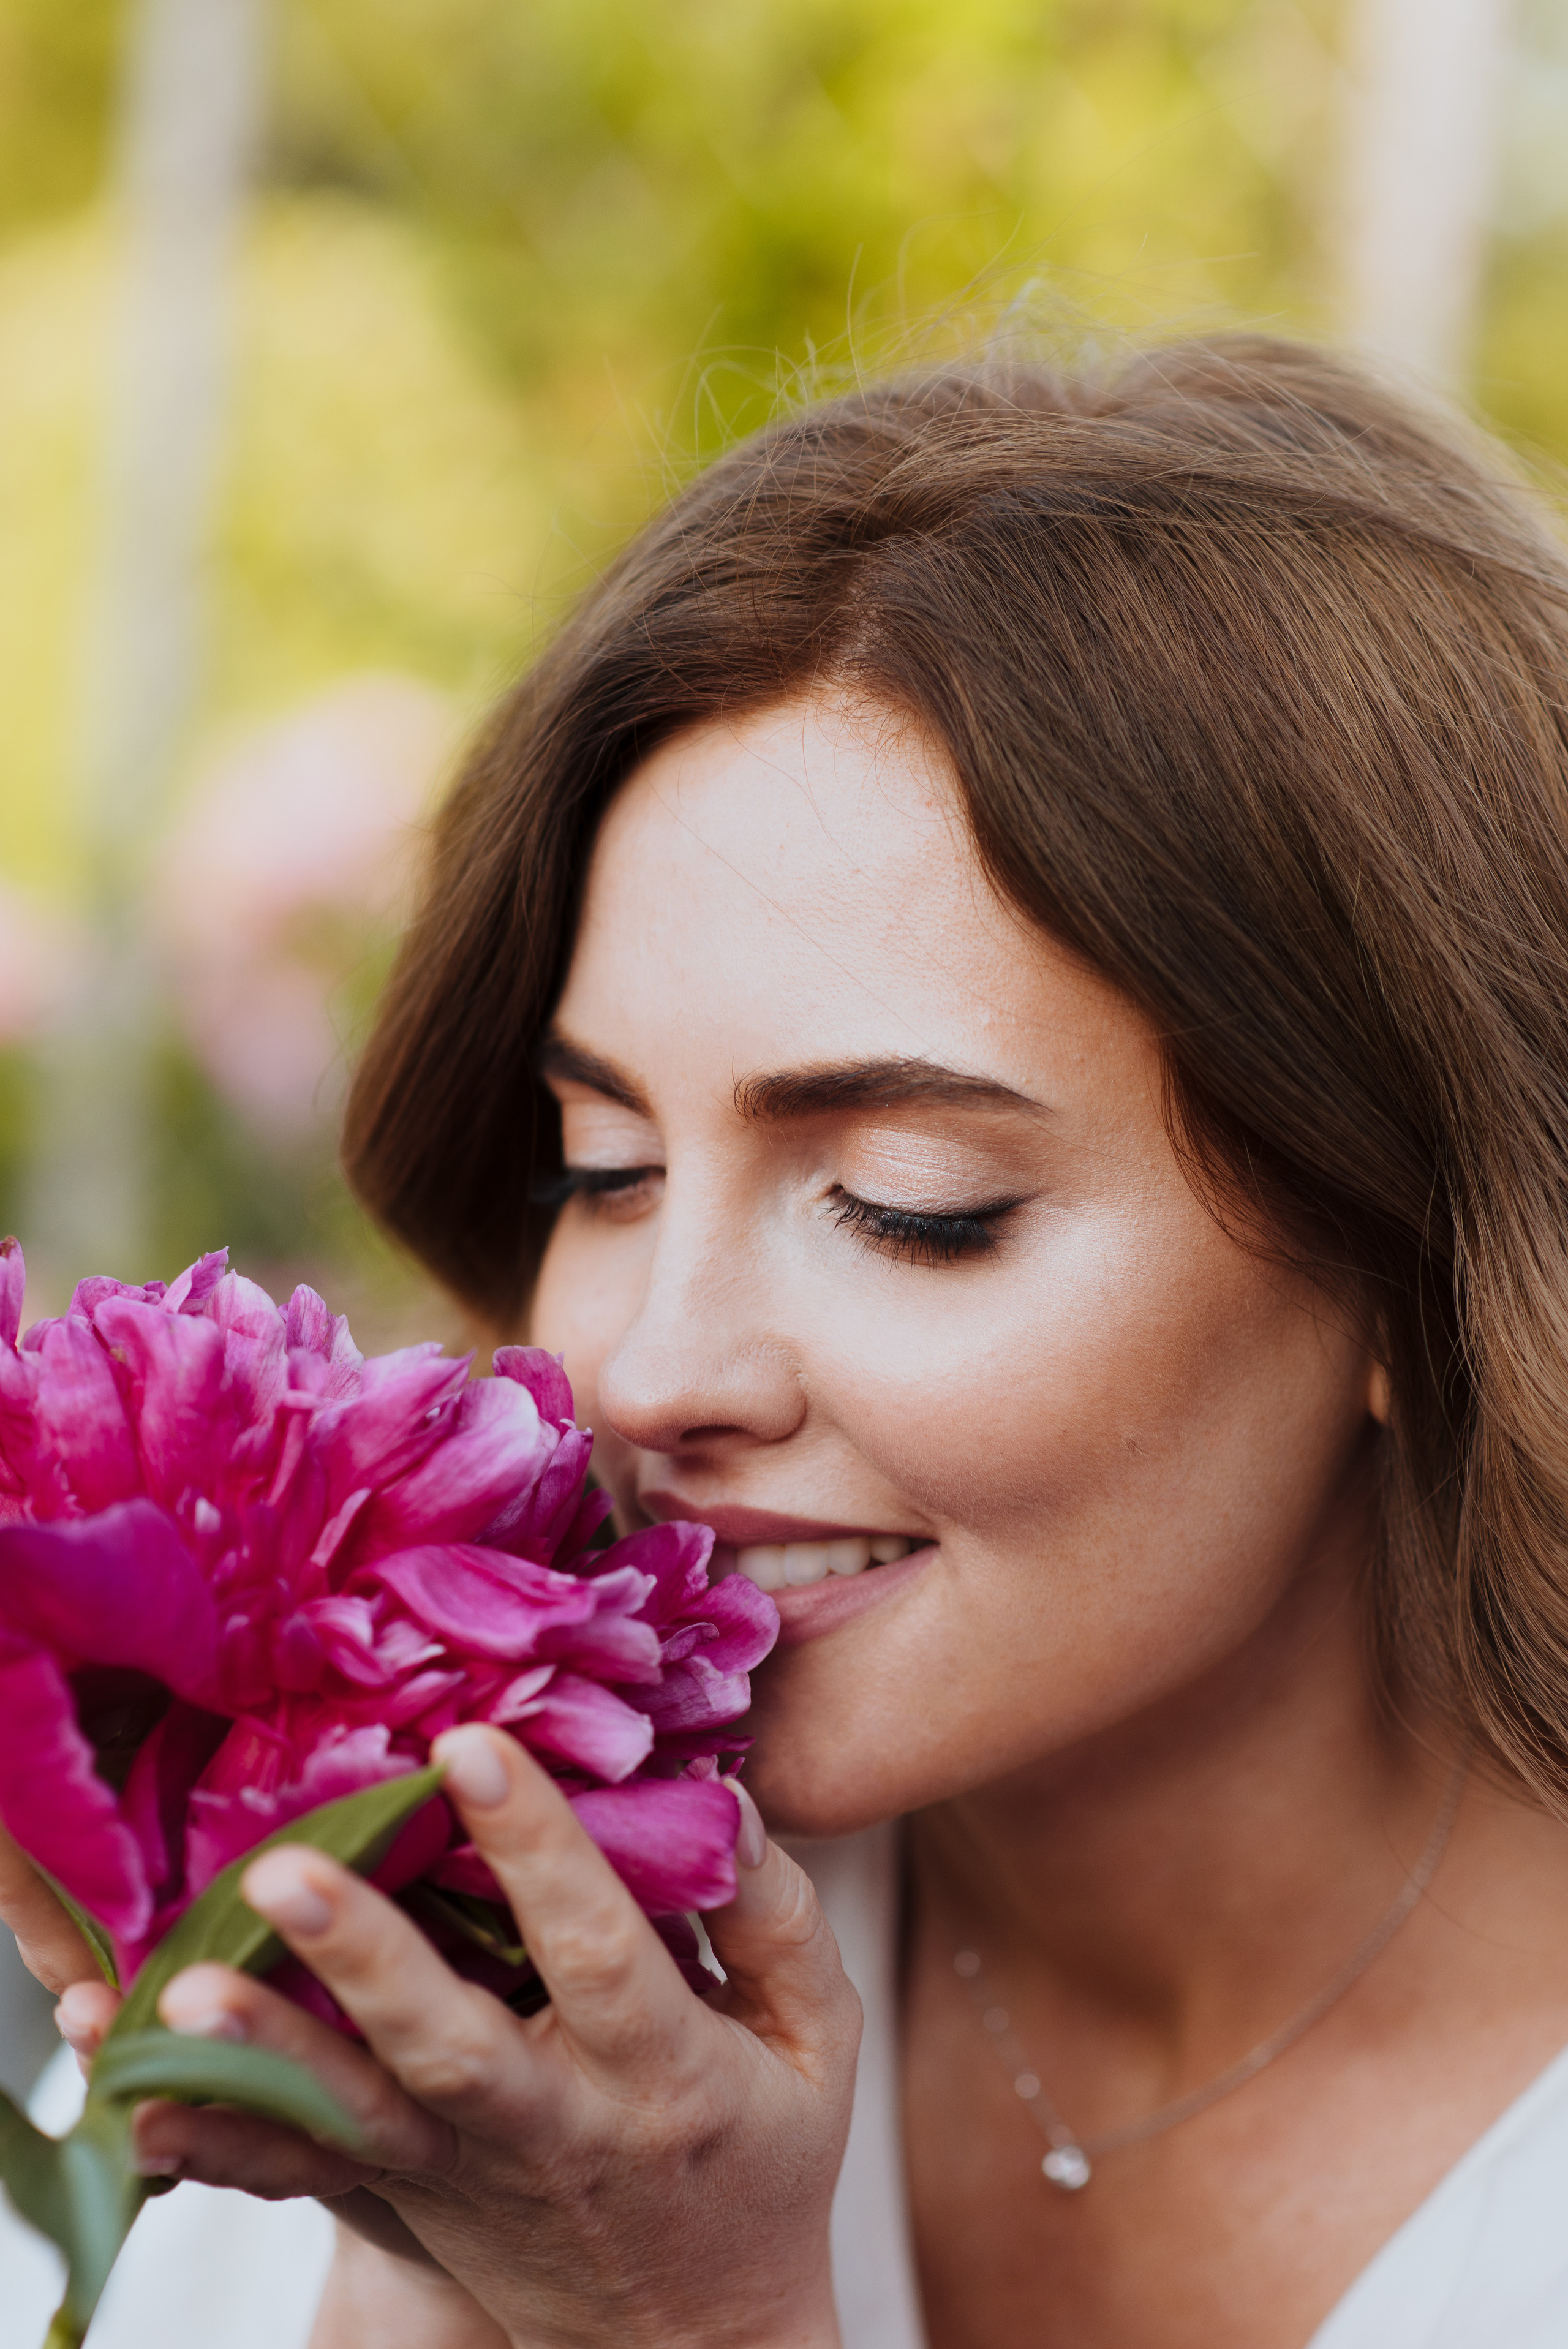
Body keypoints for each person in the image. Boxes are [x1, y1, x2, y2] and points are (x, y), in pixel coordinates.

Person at [12, 333, 1568, 2349]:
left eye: (913, 1201)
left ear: (1419, 1245)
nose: (650, 1372)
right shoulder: (430, 1961)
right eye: (603, 1165)